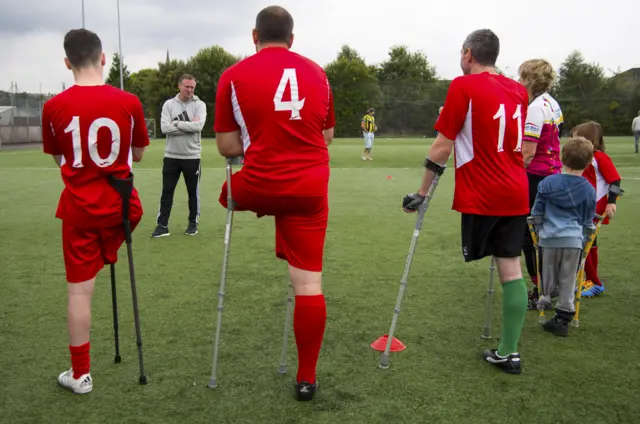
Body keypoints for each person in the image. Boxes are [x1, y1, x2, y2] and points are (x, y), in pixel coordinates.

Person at [213, 5, 335, 401]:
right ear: (292, 39)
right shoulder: (318, 73)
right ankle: (306, 377)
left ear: (254, 36)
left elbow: (228, 147)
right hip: (309, 189)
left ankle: (282, 232)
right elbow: (328, 135)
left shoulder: (232, 76)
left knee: (226, 193)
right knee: (309, 285)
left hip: (257, 186)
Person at [403, 29, 530, 374]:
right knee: (511, 269)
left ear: (468, 53)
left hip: (485, 192)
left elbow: (443, 145)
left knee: (508, 267)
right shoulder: (519, 90)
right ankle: (509, 352)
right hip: (516, 190)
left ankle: (508, 352)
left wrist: (421, 193)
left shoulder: (463, 86)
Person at [41, 28, 149, 394]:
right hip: (121, 208)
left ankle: (81, 374)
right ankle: (108, 251)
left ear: (67, 62)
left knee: (79, 293)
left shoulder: (53, 107)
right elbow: (136, 155)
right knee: (108, 246)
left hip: (80, 213)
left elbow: (59, 157)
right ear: (103, 59)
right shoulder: (129, 101)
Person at [530, 136, 596, 336]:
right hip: (573, 240)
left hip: (549, 238)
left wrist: (537, 229)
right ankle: (563, 317)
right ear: (589, 162)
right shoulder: (588, 189)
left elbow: (538, 210)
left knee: (546, 272)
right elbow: (587, 219)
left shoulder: (548, 182)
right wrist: (585, 239)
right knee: (568, 277)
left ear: (562, 158)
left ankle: (546, 298)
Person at [517, 59, 564, 309]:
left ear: (530, 79)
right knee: (545, 233)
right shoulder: (551, 102)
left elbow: (528, 152)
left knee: (530, 235)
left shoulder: (535, 107)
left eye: (522, 77)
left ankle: (541, 288)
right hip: (554, 174)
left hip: (537, 177)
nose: (519, 82)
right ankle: (551, 283)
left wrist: (514, 173)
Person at [571, 121, 623, 297]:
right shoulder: (582, 157)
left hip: (595, 207)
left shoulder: (599, 157)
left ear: (589, 139)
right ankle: (589, 280)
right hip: (581, 207)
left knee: (584, 243)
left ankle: (595, 282)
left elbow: (615, 180)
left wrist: (611, 202)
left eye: (577, 136)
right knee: (588, 243)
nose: (573, 140)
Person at [151, 74, 207, 238]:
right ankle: (162, 225)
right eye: (187, 86)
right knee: (167, 192)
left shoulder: (200, 105)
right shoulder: (169, 105)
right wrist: (188, 126)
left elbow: (199, 126)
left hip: (192, 156)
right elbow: (164, 129)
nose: (189, 90)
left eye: (192, 87)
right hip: (171, 156)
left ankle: (192, 224)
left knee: (192, 193)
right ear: (179, 86)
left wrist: (176, 123)